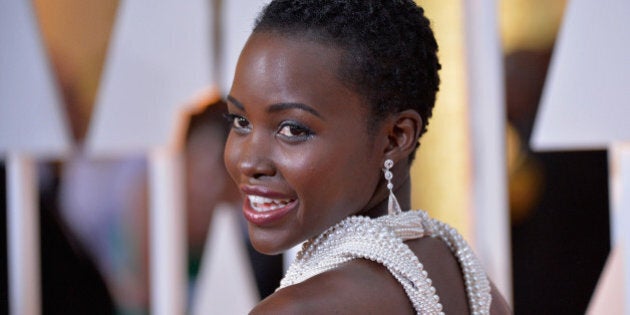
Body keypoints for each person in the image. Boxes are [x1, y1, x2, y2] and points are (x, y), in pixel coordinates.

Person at [223, 0, 512, 314]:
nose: (249, 162)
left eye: (292, 129)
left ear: (395, 138)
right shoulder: (467, 280)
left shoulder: (299, 309)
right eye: (241, 121)